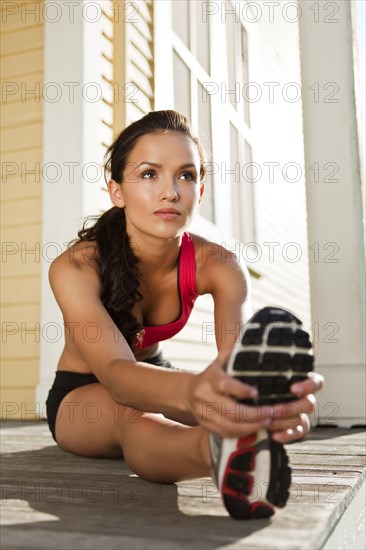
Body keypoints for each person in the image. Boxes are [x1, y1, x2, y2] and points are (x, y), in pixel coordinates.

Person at [46, 110, 324, 520]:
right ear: (116, 191)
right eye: (148, 174)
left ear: (201, 191)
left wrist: (266, 405)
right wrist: (198, 392)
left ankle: (247, 436)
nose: (170, 192)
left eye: (186, 175)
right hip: (81, 395)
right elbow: (118, 375)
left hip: (162, 374)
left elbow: (235, 367)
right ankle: (217, 453)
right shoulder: (76, 268)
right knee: (134, 414)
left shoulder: (220, 265)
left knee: (240, 403)